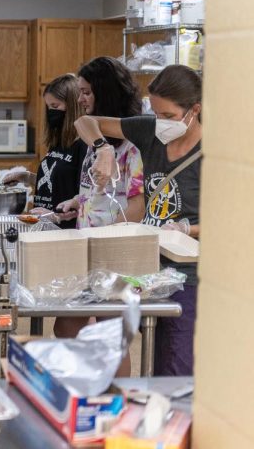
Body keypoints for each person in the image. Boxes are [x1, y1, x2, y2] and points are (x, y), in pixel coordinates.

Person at [76, 65, 203, 376]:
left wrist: (187, 228)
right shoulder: (151, 132)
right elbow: (85, 121)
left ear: (194, 110)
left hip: (189, 277)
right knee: (158, 357)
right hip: (149, 272)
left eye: (169, 116)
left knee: (176, 368)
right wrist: (102, 148)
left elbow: (236, 221)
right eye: (156, 113)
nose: (161, 123)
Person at [52, 57, 145, 377]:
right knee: (66, 326)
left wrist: (106, 237)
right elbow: (96, 190)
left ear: (106, 94)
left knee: (112, 334)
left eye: (87, 92)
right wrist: (76, 202)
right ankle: (85, 382)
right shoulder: (98, 140)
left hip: (114, 253)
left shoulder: (134, 147)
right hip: (86, 249)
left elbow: (136, 207)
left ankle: (116, 396)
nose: (80, 99)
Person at [29, 74, 86, 229]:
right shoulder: (59, 141)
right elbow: (57, 181)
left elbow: (87, 196)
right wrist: (27, 178)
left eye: (55, 106)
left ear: (73, 106)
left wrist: (55, 216)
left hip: (67, 231)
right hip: (46, 227)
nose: (50, 113)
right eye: (48, 107)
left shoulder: (84, 145)